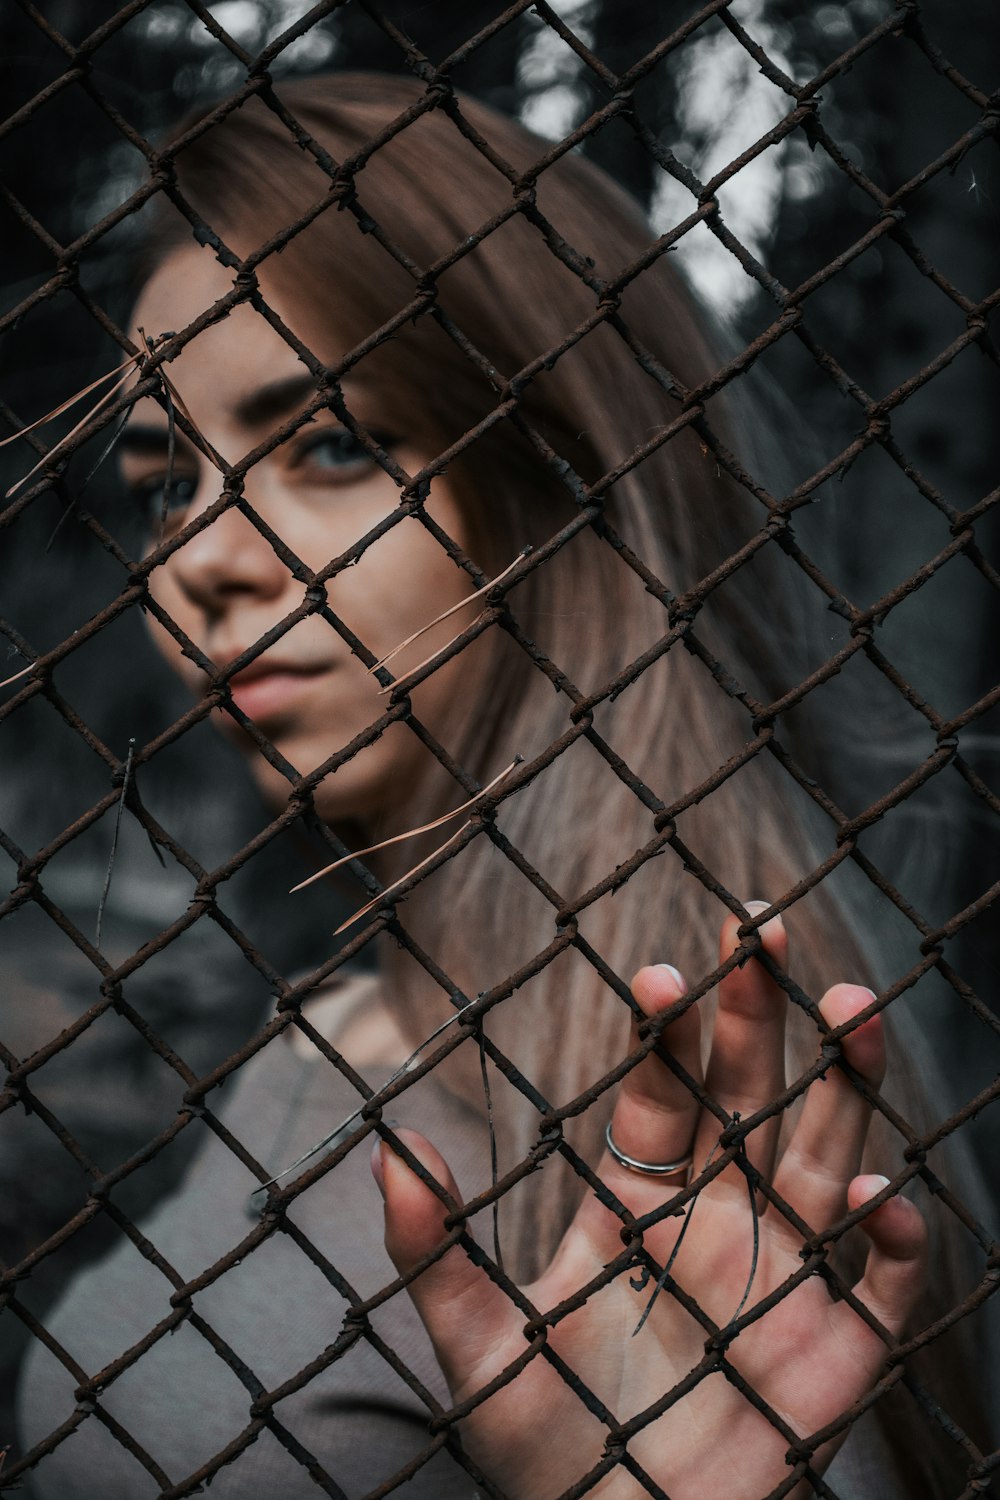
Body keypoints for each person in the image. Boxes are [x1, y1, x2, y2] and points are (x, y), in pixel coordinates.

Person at [13, 72, 991, 1499]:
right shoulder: (350, 1007)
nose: (204, 560)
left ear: (559, 478)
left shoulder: (705, 1110)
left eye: (333, 445)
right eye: (168, 482)